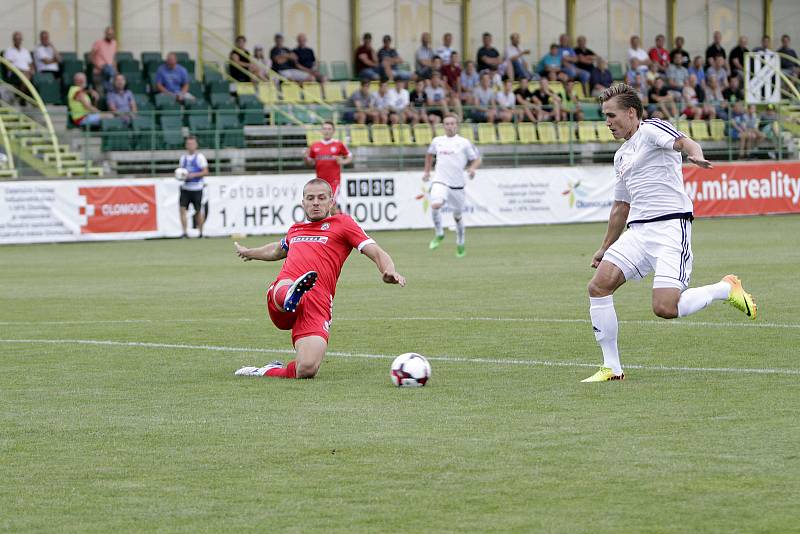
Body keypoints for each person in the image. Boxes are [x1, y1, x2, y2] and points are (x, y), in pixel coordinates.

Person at [582, 83, 756, 382]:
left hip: (670, 228)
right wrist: (604, 247)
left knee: (665, 308)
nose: (607, 122)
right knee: (598, 287)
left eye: (611, 115)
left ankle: (725, 289)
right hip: (637, 232)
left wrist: (695, 155)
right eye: (604, 116)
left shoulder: (651, 129)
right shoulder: (621, 155)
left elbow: (684, 143)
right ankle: (612, 367)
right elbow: (621, 206)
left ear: (631, 112)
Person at [233, 178, 406, 379]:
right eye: (310, 198)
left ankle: (263, 370)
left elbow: (376, 252)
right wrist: (249, 252)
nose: (316, 202)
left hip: (318, 302)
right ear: (303, 203)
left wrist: (389, 270)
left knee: (306, 368)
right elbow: (276, 250)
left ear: (331, 202)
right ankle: (290, 294)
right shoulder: (295, 230)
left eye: (321, 198)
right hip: (283, 294)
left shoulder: (343, 224)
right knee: (287, 284)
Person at [422, 114, 481, 258]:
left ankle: (460, 243)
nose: (449, 126)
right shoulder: (437, 141)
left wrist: (472, 169)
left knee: (457, 217)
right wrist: (427, 172)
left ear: (457, 125)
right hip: (440, 180)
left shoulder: (464, 143)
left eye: (452, 123)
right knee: (435, 204)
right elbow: (429, 155)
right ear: (443, 126)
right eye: (447, 123)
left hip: (457, 186)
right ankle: (439, 234)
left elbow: (477, 159)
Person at [304, 121, 352, 207]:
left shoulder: (338, 144)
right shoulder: (315, 146)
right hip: (320, 182)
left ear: (333, 131)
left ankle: (340, 218)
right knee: (324, 206)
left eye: (329, 129)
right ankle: (338, 217)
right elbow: (310, 163)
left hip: (334, 182)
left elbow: (349, 157)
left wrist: (343, 161)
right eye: (325, 129)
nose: (327, 131)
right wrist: (306, 158)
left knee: (330, 204)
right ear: (321, 131)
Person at [177, 136, 209, 238]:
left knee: (198, 211)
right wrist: (182, 176)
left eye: (192, 144)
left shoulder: (200, 157)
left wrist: (193, 175)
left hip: (197, 188)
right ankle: (184, 232)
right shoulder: (183, 158)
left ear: (196, 145)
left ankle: (201, 232)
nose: (190, 146)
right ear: (186, 145)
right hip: (186, 188)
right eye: (188, 144)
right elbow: (181, 173)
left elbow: (205, 171)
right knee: (182, 209)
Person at [4, 32, 34, 101]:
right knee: (26, 76)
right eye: (16, 39)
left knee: (30, 76)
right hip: (15, 73)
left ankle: (21, 96)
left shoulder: (25, 51)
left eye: (19, 39)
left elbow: (31, 64)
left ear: (21, 40)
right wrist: (22, 71)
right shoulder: (9, 51)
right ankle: (24, 97)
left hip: (27, 73)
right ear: (13, 40)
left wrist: (32, 70)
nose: (18, 41)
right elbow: (8, 67)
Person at [90, 26, 117, 93]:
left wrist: (115, 69)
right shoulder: (98, 42)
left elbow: (113, 57)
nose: (110, 36)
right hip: (99, 72)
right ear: (105, 34)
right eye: (108, 34)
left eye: (111, 34)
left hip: (109, 71)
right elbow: (91, 56)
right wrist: (98, 66)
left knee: (110, 92)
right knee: (100, 93)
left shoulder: (114, 43)